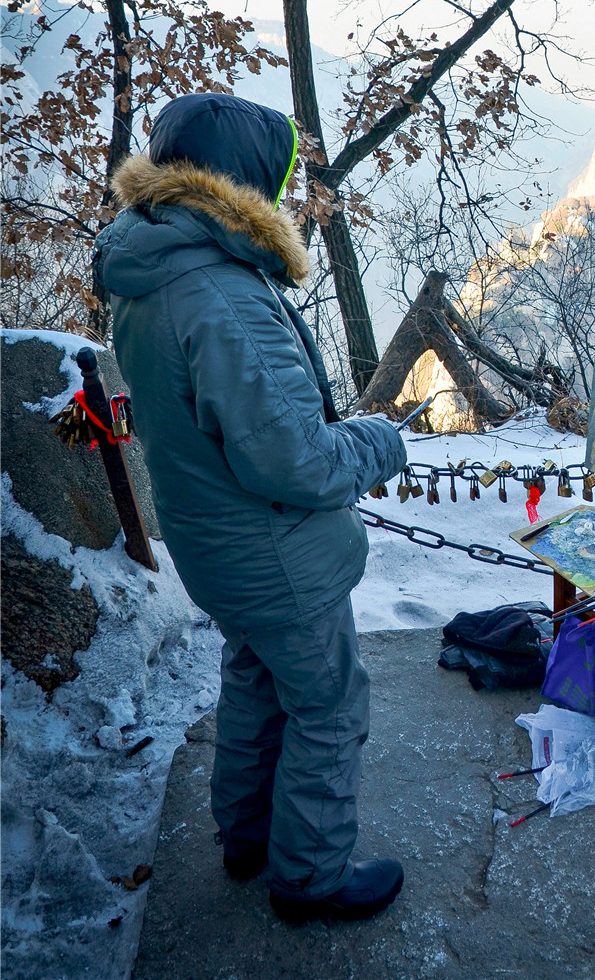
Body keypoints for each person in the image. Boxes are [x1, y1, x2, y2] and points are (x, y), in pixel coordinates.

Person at [94, 92, 408, 924]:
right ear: (237, 184)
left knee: (256, 675)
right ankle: (309, 876)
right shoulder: (221, 293)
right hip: (274, 551)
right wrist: (379, 443)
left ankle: (245, 835)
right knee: (329, 702)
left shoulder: (153, 264)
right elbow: (295, 458)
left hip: (216, 543)